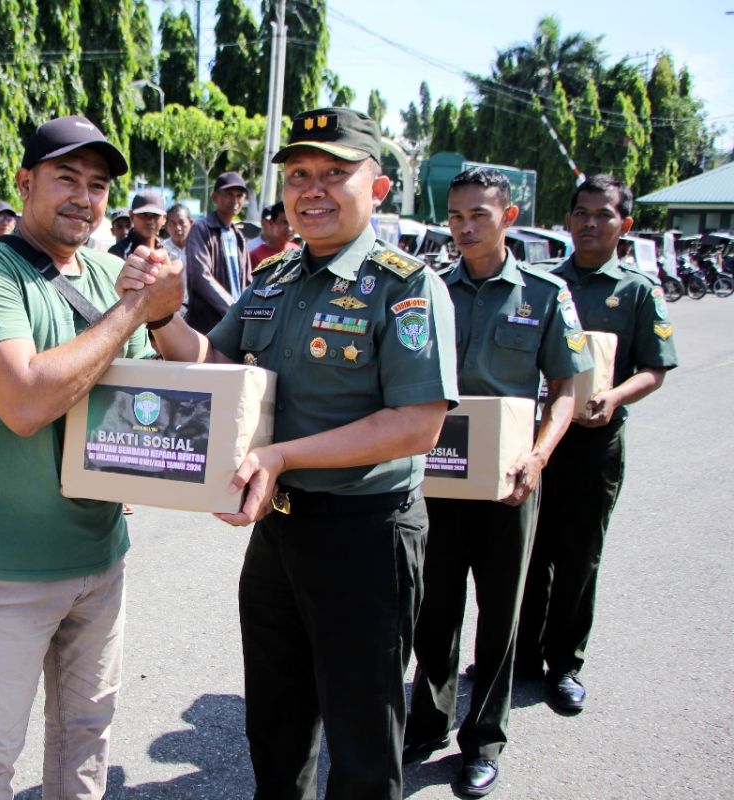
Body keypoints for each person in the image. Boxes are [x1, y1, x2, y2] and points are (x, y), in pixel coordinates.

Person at [118, 107, 458, 800]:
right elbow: (215, 359)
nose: (313, 189)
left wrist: (281, 456)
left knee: (362, 738)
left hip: (365, 532)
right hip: (279, 529)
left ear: (380, 188)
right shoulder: (274, 277)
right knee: (276, 722)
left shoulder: (405, 285)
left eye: (336, 173)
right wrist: (160, 315)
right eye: (300, 174)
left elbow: (418, 424)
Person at [0, 114, 182, 800]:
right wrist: (133, 313)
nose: (84, 196)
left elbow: (178, 386)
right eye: (65, 178)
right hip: (6, 560)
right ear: (24, 183)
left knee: (87, 736)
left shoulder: (113, 272)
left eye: (97, 185)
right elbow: (23, 401)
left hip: (101, 553)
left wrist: (162, 311)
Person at [404, 168, 591, 797]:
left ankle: (483, 738)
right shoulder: (428, 288)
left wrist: (539, 457)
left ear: (508, 217)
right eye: (456, 215)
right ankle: (427, 720)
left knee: (500, 615)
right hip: (438, 475)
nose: (464, 227)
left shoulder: (543, 294)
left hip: (510, 480)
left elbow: (566, 390)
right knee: (434, 609)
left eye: (478, 214)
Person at [516, 174, 679, 714]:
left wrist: (613, 396)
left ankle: (564, 664)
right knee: (529, 553)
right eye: (581, 213)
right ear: (568, 221)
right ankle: (521, 658)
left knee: (579, 556)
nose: (590, 223)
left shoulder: (635, 290)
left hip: (595, 442)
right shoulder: (542, 284)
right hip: (540, 438)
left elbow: (655, 368)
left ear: (623, 225)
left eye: (602, 215)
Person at [183, 171, 250, 333]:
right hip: (208, 325)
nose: (234, 200)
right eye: (228, 194)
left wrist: (247, 313)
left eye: (239, 195)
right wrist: (233, 310)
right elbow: (201, 277)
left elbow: (248, 282)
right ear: (215, 197)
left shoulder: (239, 236)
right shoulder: (201, 229)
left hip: (235, 324)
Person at [109, 190, 166, 259]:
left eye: (155, 215)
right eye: (143, 215)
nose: (150, 221)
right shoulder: (118, 252)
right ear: (132, 217)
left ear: (164, 218)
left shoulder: (168, 250)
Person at [248, 200, 299, 269]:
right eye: (284, 222)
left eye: (292, 222)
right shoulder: (255, 255)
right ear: (271, 224)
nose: (290, 228)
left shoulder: (298, 252)